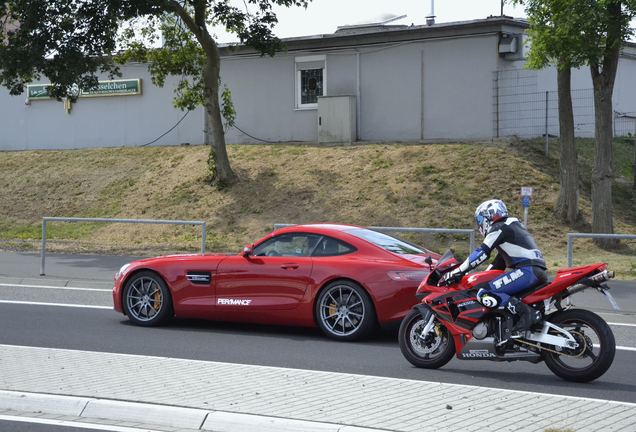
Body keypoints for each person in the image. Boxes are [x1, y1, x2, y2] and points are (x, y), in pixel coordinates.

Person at [441, 199, 548, 336]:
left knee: (484, 293)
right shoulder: (512, 225)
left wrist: (458, 271)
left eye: (480, 219)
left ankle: (527, 314)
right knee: (491, 288)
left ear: (488, 215)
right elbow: (499, 263)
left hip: (527, 271)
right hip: (534, 271)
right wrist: (479, 278)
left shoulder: (499, 227)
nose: (480, 223)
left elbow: (482, 252)